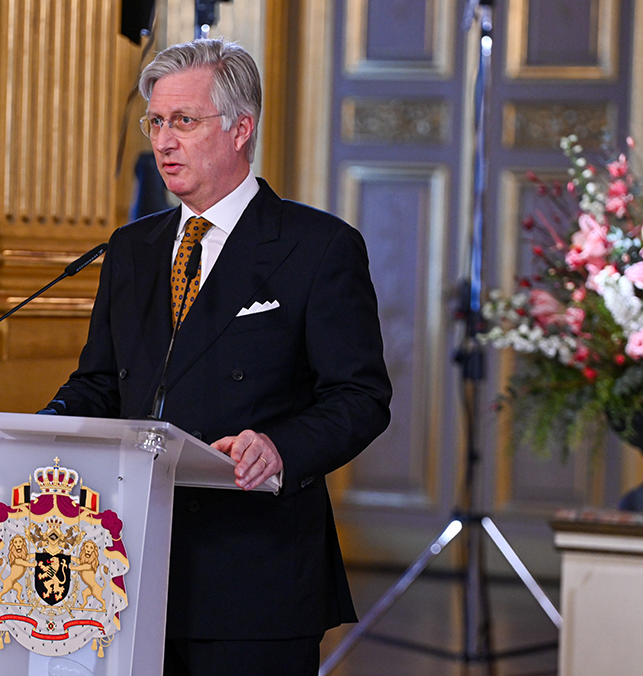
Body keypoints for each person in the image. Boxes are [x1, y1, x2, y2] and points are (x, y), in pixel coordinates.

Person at [41, 38, 391, 675]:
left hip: (252, 578)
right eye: (155, 122)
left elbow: (361, 398)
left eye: (184, 121)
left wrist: (281, 447)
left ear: (241, 129)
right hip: (124, 569)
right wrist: (28, 436)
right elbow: (98, 383)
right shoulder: (133, 247)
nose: (164, 141)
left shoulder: (318, 247)